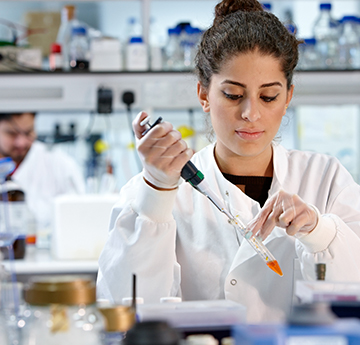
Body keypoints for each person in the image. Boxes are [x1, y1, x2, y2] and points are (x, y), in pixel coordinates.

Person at [97, 0, 360, 323]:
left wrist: (319, 231)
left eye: (268, 96)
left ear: (288, 97)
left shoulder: (325, 178)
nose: (251, 113)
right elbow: (125, 312)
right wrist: (156, 191)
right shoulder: (159, 189)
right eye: (233, 95)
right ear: (204, 95)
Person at [0, 112, 86, 242]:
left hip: (48, 259)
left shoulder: (59, 164)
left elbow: (81, 218)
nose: (21, 143)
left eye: (28, 133)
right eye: (12, 134)